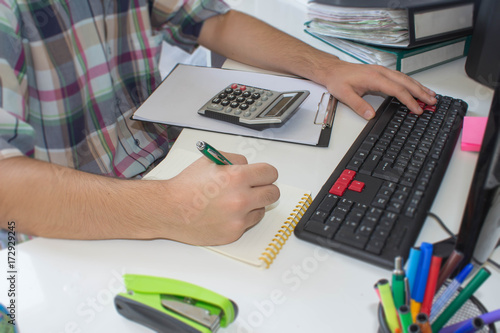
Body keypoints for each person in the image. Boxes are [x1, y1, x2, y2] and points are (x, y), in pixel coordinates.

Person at [0, 0, 436, 247]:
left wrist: (327, 67)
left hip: (164, 168)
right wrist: (171, 209)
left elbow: (210, 19)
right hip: (59, 229)